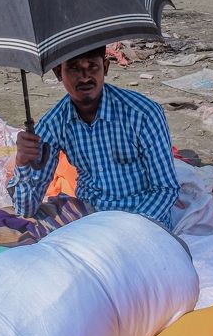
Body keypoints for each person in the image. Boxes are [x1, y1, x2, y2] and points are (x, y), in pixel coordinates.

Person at [10, 46, 181, 229]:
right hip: (88, 217)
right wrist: (22, 161)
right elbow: (25, 208)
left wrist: (129, 230)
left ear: (105, 67)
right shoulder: (53, 123)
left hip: (142, 218)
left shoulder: (143, 114)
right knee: (1, 224)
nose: (84, 77)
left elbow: (166, 189)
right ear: (59, 72)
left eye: (92, 66)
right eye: (74, 68)